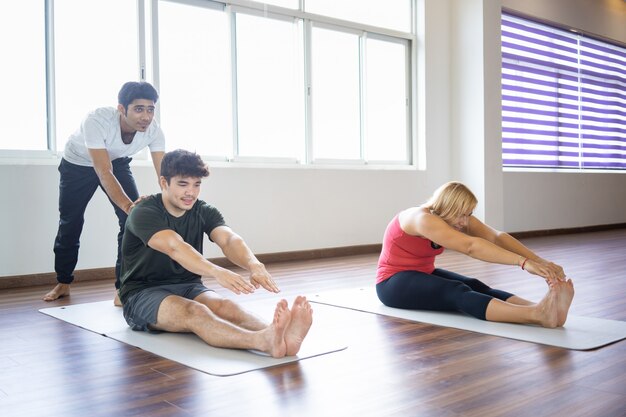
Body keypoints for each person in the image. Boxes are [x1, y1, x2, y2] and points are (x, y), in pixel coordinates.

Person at [118, 149, 313, 357]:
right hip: (143, 293)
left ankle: (278, 335)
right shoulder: (144, 212)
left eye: (196, 185)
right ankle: (263, 341)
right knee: (196, 311)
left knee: (225, 306)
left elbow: (229, 239)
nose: (190, 193)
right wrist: (216, 271)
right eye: (183, 184)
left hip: (188, 286)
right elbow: (176, 247)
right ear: (164, 182)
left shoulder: (203, 210)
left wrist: (254, 265)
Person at [376, 181, 575, 328]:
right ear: (448, 206)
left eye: (468, 214)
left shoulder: (451, 215)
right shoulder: (421, 219)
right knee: (455, 291)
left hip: (422, 273)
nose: (465, 222)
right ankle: (536, 314)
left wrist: (539, 261)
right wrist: (522, 263)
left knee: (475, 285)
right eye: (461, 215)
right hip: (392, 283)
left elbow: (496, 237)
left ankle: (548, 309)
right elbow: (470, 246)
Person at [44, 81, 165, 303]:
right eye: (139, 109)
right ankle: (63, 281)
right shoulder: (97, 121)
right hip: (77, 166)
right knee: (70, 221)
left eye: (150, 109)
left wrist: (173, 201)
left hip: (116, 162)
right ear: (122, 109)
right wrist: (129, 206)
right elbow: (103, 171)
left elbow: (163, 174)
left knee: (130, 223)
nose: (146, 117)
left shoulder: (154, 131)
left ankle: (123, 286)